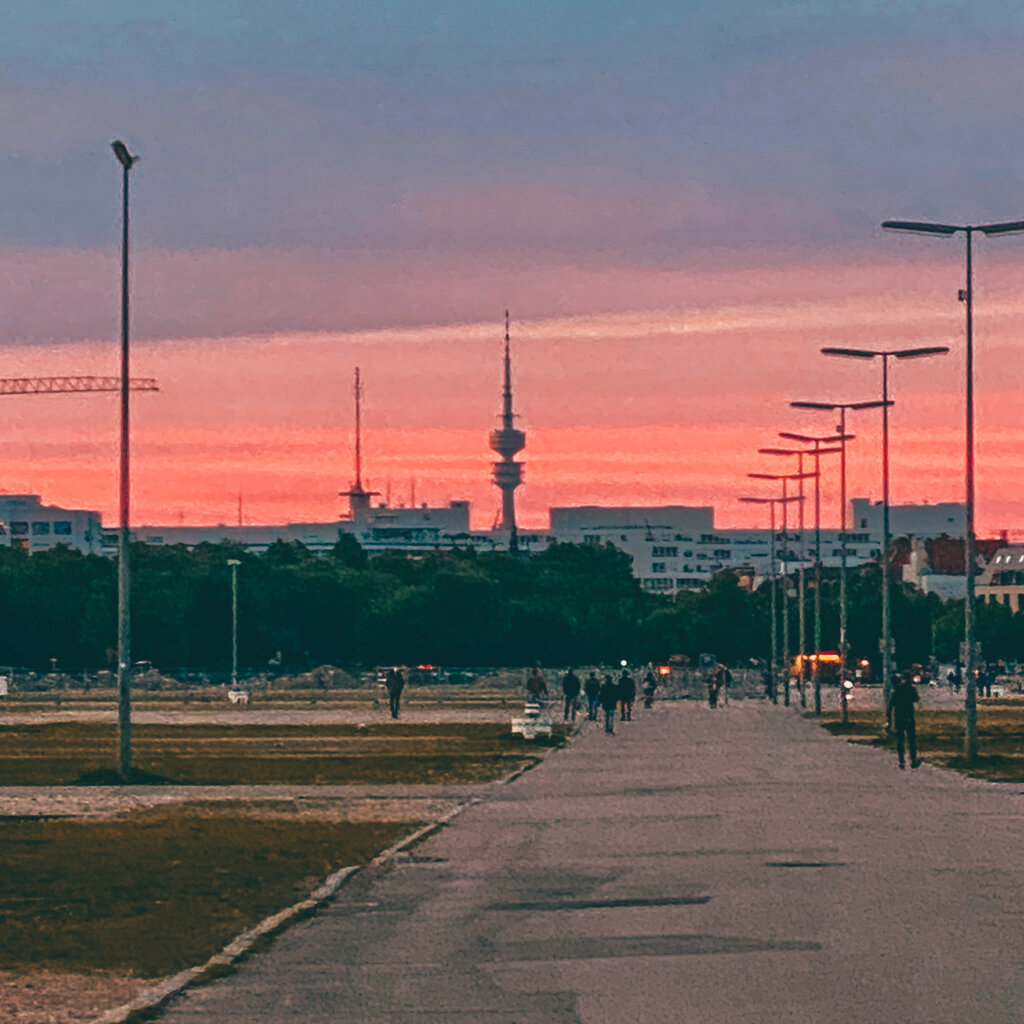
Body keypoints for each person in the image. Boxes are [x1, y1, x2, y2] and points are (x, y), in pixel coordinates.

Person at [888, 670, 921, 769]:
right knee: (911, 739)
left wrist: (888, 717)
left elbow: (891, 704)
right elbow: (916, 699)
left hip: (899, 717)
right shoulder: (911, 689)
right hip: (909, 716)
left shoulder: (897, 689)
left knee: (900, 739)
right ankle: (913, 759)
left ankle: (901, 761)